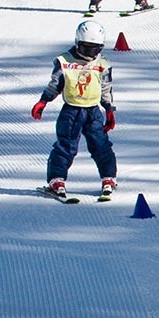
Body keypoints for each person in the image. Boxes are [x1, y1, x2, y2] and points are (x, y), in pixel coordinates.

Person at [32, 19, 117, 201]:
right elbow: (55, 84)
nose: (90, 53)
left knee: (101, 145)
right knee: (66, 146)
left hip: (93, 112)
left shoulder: (102, 63)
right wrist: (43, 101)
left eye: (95, 49)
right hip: (71, 112)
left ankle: (108, 177)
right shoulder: (65, 61)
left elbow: (105, 88)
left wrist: (109, 110)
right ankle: (56, 180)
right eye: (86, 48)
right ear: (78, 43)